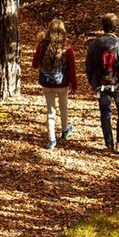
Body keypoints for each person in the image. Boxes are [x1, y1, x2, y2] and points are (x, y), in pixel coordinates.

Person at [86, 13, 119, 153]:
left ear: (103, 27)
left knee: (105, 114)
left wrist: (93, 83)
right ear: (116, 27)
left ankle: (108, 144)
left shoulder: (94, 45)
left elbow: (89, 67)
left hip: (101, 86)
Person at [32, 18, 77, 150]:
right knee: (63, 107)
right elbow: (72, 69)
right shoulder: (67, 47)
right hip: (62, 84)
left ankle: (52, 139)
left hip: (46, 83)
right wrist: (73, 86)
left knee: (50, 111)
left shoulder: (42, 45)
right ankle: (64, 130)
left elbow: (35, 65)